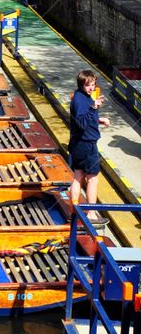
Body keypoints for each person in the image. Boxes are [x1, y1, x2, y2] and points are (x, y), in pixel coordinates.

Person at [69, 69, 110, 223]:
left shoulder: (81, 96)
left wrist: (99, 119)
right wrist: (94, 107)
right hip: (86, 144)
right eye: (88, 85)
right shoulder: (80, 99)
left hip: (78, 144)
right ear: (81, 85)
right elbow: (81, 122)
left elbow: (83, 118)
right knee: (93, 179)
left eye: (93, 84)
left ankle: (73, 210)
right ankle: (91, 214)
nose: (91, 88)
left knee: (78, 176)